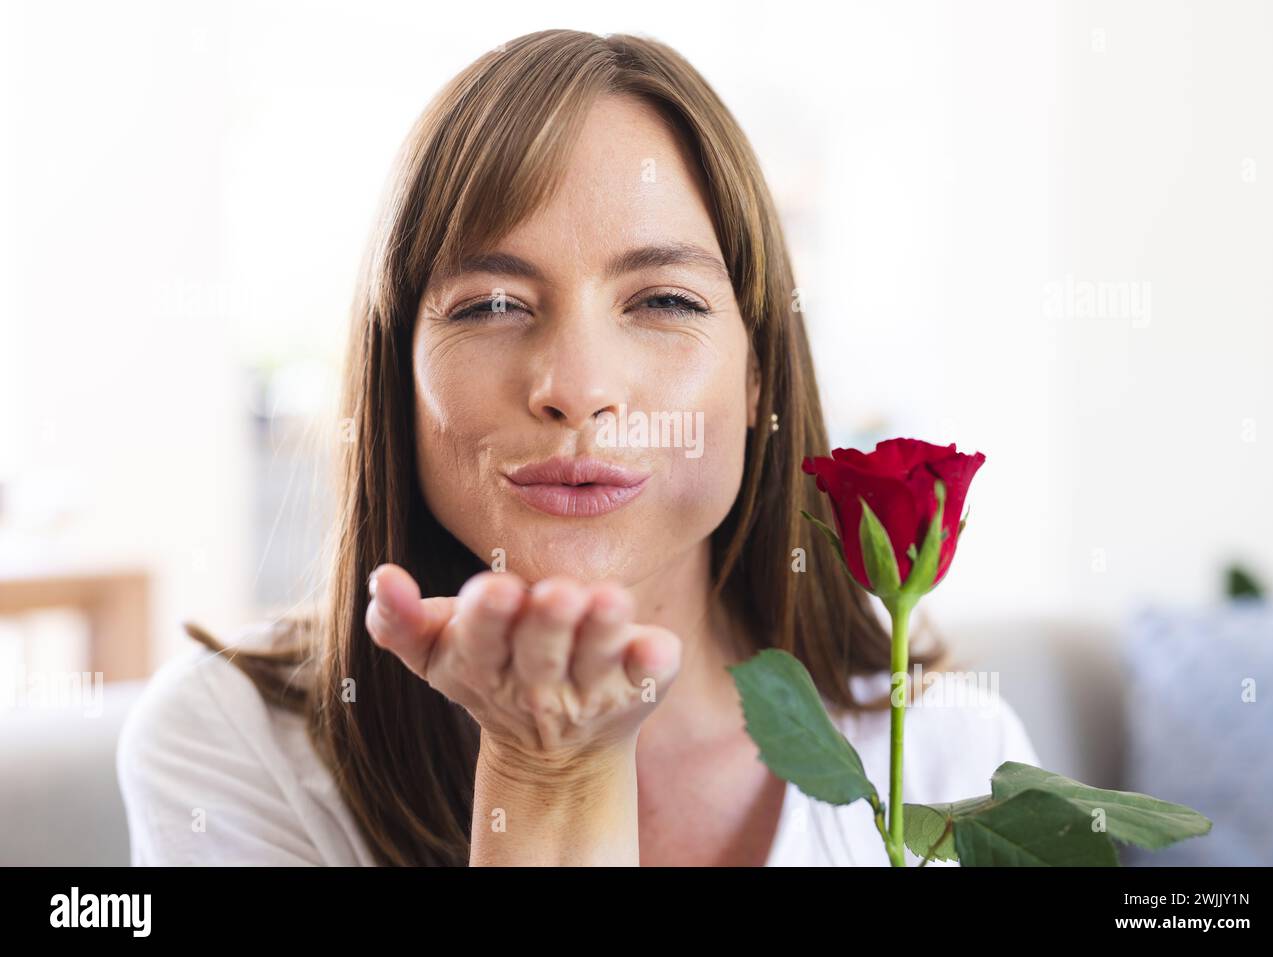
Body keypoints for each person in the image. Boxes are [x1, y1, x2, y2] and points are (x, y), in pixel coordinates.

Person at [117, 28, 1040, 867]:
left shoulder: (956, 759)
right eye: (489, 304)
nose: (577, 385)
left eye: (664, 302)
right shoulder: (226, 744)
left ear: (758, 377)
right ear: (396, 369)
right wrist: (543, 771)